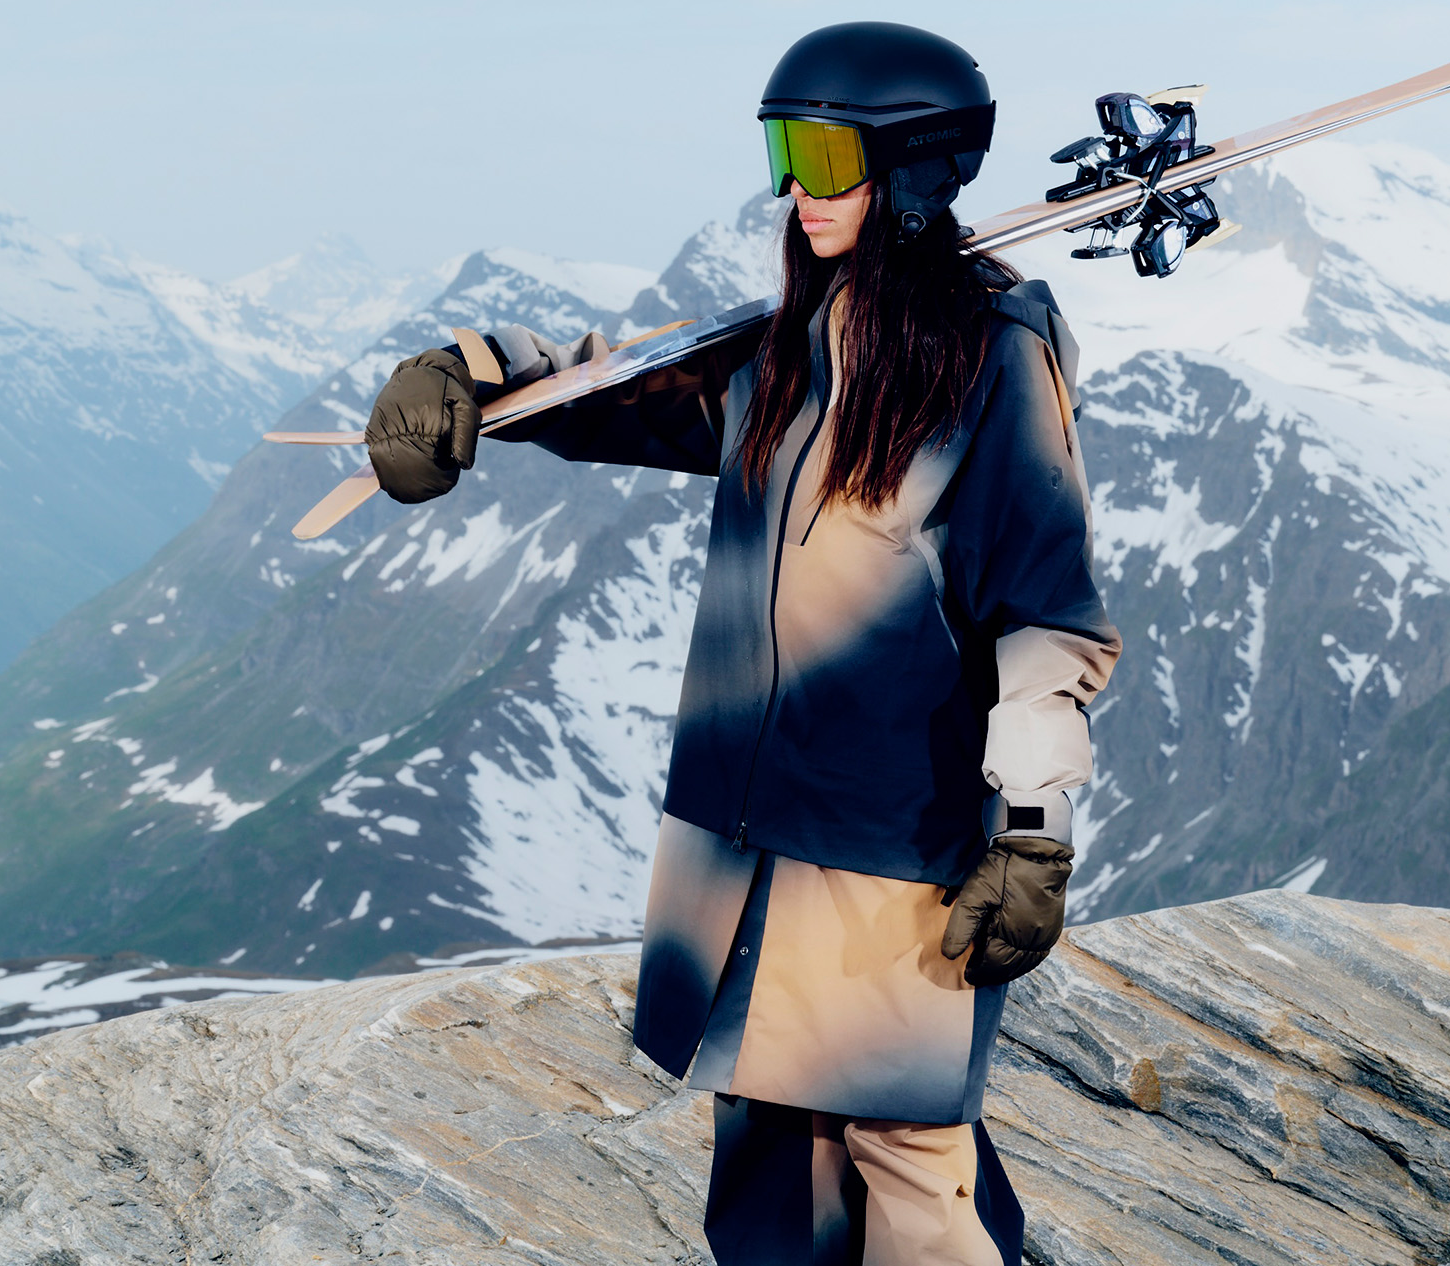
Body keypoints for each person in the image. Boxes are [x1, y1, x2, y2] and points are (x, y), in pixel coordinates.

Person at [363, 21, 1120, 1265]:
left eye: (824, 157)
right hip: (738, 834)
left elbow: (1042, 612)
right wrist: (473, 377)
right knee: (770, 1153)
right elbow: (622, 391)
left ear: (914, 170)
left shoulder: (989, 361)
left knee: (906, 1158)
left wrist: (1034, 834)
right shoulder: (792, 352)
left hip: (885, 841)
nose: (792, 190)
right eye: (783, 150)